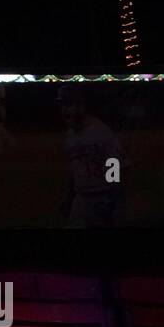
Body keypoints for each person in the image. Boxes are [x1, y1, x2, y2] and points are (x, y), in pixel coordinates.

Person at [57, 86, 125, 227]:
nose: (64, 110)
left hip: (102, 196)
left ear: (82, 106)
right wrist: (69, 198)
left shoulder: (101, 132)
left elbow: (114, 164)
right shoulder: (70, 135)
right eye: (62, 105)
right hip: (80, 199)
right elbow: (74, 170)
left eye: (68, 104)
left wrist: (110, 199)